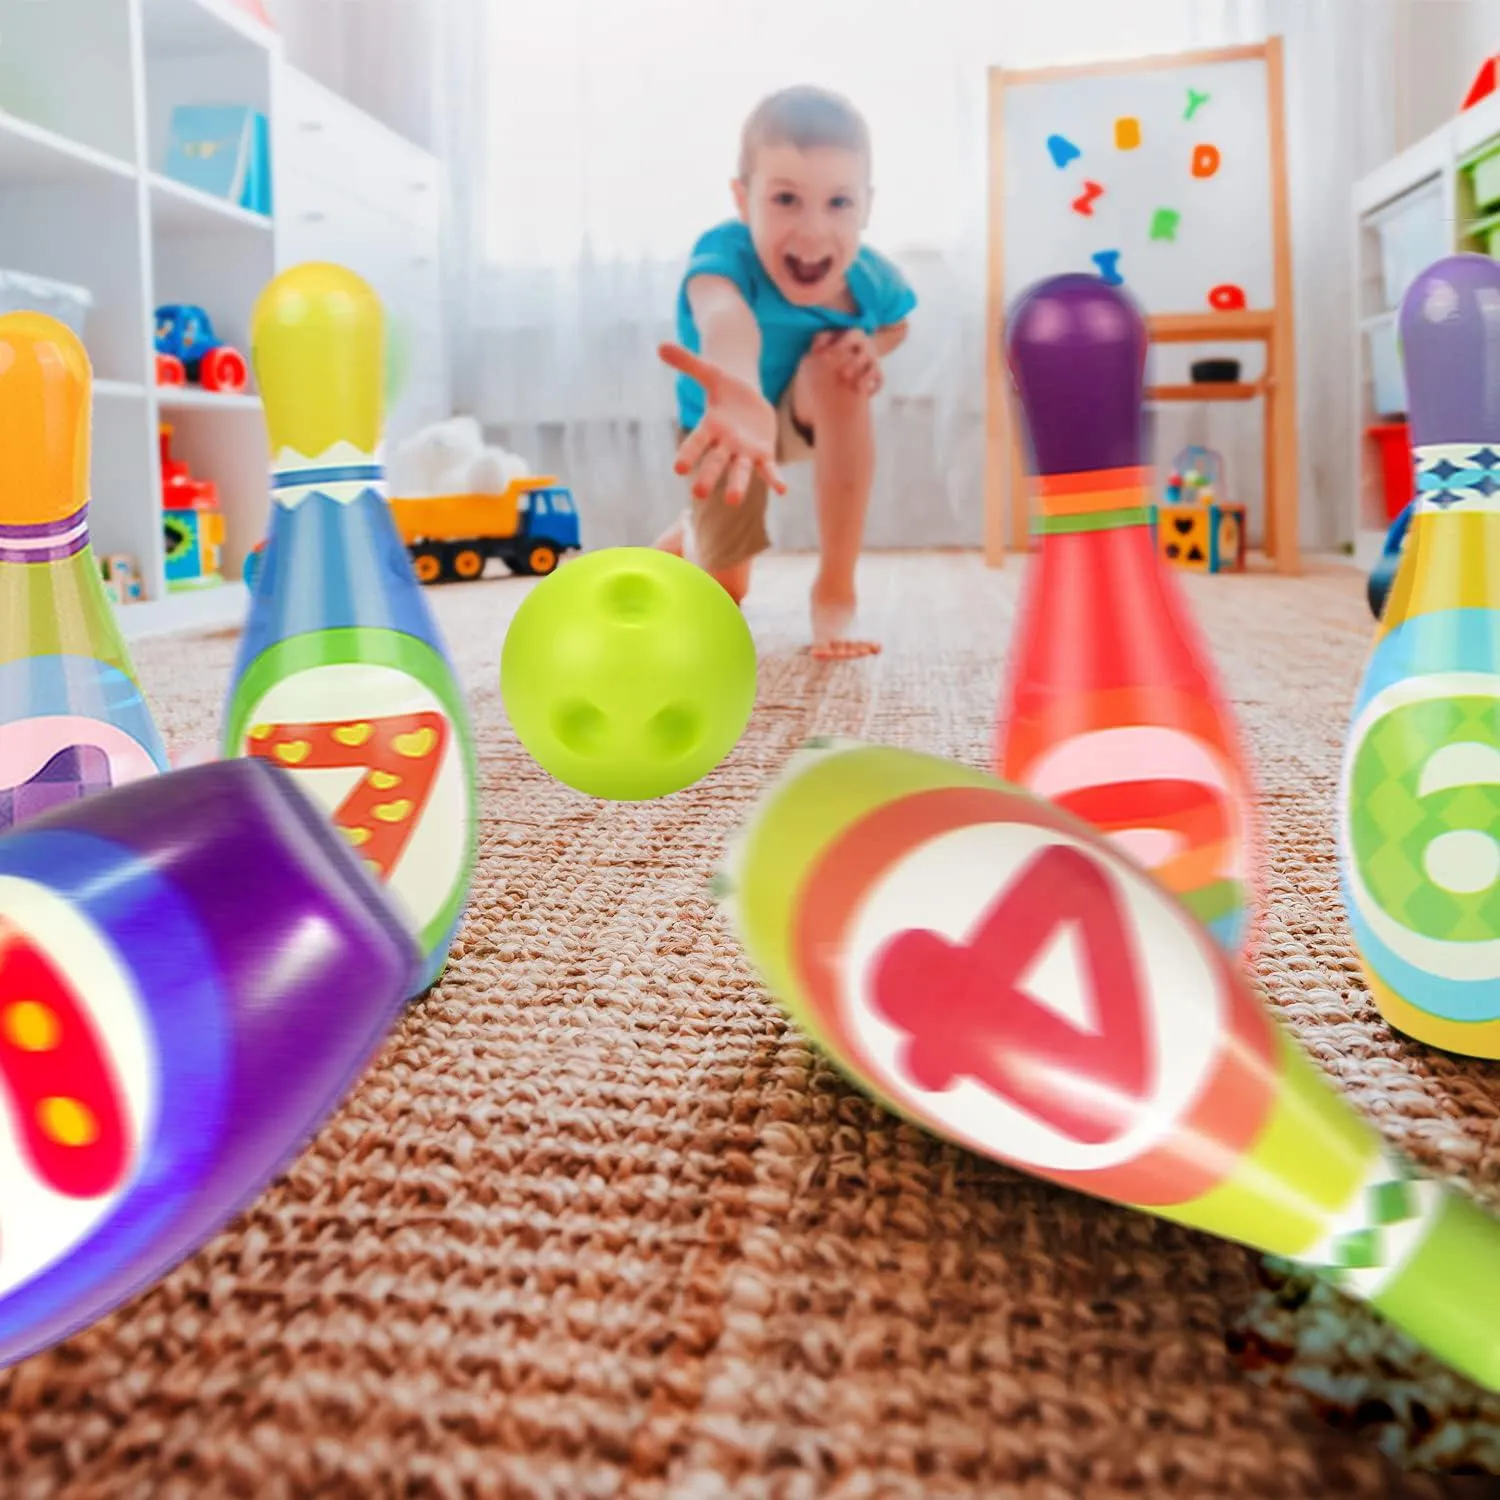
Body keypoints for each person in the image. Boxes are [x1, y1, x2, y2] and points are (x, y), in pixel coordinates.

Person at [653, 84, 917, 660]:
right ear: (742, 198)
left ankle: (835, 590)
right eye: (786, 200)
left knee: (839, 365)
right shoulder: (723, 256)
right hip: (726, 426)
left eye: (838, 203)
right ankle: (679, 544)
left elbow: (898, 324)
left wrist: (867, 344)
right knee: (722, 592)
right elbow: (726, 321)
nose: (814, 230)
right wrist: (740, 392)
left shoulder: (872, 279)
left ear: (867, 206)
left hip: (803, 407)